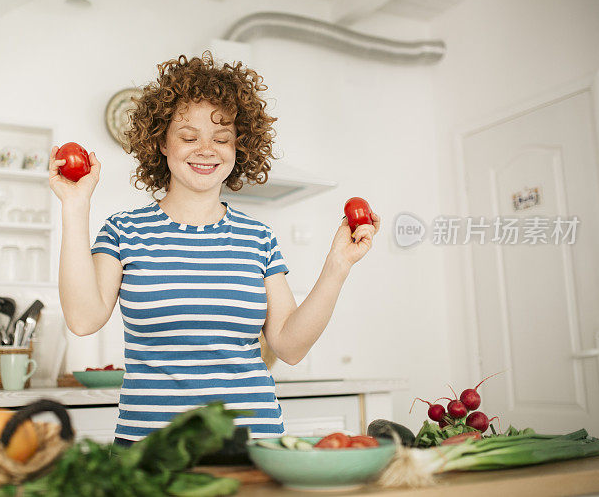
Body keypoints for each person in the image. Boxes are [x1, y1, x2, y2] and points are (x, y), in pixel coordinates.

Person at [49, 52, 380, 447]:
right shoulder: (124, 231)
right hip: (149, 452)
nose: (206, 149)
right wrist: (74, 204)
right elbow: (83, 319)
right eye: (189, 137)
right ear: (162, 143)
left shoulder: (258, 237)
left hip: (251, 445)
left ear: (239, 147)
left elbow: (290, 347)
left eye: (221, 138)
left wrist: (338, 265)